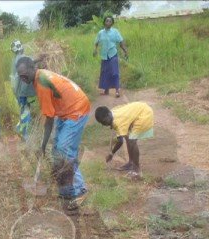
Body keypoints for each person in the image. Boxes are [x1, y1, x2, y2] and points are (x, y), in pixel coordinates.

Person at [16, 57, 90, 211]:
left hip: (76, 110)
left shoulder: (42, 83)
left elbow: (49, 120)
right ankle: (66, 191)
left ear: (32, 68)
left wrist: (43, 145)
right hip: (66, 111)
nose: (22, 78)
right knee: (58, 150)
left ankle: (79, 190)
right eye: (20, 76)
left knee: (64, 150)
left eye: (24, 75)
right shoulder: (39, 76)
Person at [95, 102, 154, 179]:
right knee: (128, 137)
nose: (104, 124)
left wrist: (111, 154)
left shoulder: (119, 122)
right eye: (101, 123)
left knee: (132, 141)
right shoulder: (113, 113)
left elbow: (120, 142)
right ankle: (131, 163)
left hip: (145, 114)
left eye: (104, 121)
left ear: (108, 115)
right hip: (140, 108)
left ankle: (137, 171)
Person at [93, 16, 128, 98]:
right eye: (107, 21)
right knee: (105, 72)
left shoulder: (115, 32)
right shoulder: (100, 33)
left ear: (112, 23)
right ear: (104, 22)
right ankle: (106, 90)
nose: (108, 23)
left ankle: (117, 90)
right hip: (104, 55)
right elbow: (96, 42)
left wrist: (125, 51)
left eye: (110, 21)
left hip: (113, 54)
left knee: (114, 72)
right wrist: (95, 50)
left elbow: (121, 42)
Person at [10, 40, 37, 140]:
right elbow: (32, 62)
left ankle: (20, 129)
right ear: (21, 48)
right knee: (26, 111)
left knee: (24, 110)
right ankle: (22, 133)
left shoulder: (15, 59)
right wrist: (40, 59)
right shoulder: (22, 58)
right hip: (23, 91)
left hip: (19, 92)